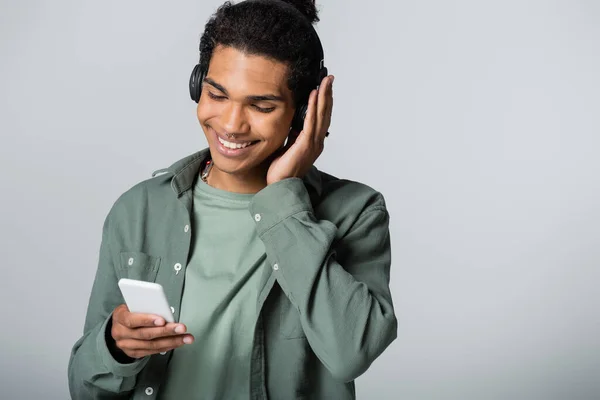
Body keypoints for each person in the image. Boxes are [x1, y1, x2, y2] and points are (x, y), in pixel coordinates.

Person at [68, 0, 397, 398]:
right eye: (217, 95)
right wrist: (115, 347)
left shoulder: (356, 212)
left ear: (304, 112)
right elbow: (84, 388)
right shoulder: (138, 210)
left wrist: (282, 199)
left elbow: (352, 351)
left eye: (261, 105)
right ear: (197, 86)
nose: (231, 124)